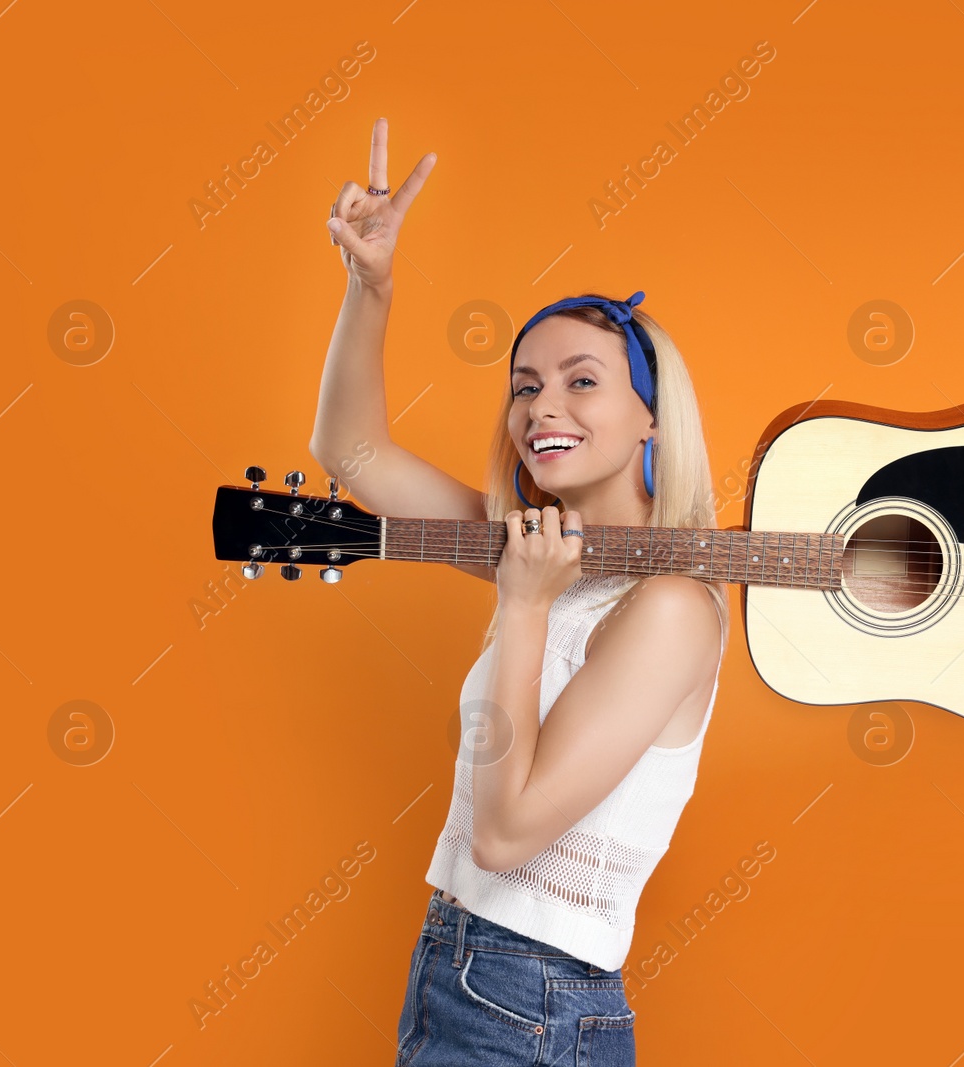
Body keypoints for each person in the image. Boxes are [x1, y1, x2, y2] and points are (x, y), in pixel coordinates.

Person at [310, 117, 729, 1066]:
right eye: (524, 385)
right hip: (467, 973)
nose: (543, 406)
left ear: (651, 417)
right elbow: (352, 453)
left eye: (583, 381)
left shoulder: (670, 606)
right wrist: (369, 286)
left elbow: (504, 837)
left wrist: (525, 604)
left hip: (530, 998)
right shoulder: (544, 554)